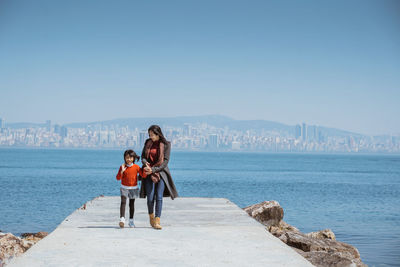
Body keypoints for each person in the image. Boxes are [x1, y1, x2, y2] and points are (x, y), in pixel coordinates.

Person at [140, 125, 178, 230]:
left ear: (158, 134)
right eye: (149, 134)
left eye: (152, 134)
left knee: (159, 197)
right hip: (148, 173)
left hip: (161, 173)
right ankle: (151, 216)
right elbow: (143, 156)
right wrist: (145, 163)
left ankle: (157, 220)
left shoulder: (166, 144)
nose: (150, 136)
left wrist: (154, 170)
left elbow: (165, 162)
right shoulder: (148, 143)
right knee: (150, 197)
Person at [116, 149, 146, 228]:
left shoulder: (136, 167)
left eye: (130, 158)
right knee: (123, 202)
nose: (129, 159)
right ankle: (122, 219)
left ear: (134, 158)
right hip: (124, 188)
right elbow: (118, 178)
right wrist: (122, 171)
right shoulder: (122, 167)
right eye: (127, 158)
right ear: (124, 158)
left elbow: (143, 175)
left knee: (131, 205)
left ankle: (131, 221)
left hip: (134, 188)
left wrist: (146, 169)